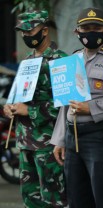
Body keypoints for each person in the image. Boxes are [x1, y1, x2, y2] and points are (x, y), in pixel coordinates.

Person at [50, 7, 103, 208]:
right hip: (73, 140)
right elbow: (66, 105)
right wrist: (60, 140)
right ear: (76, 32)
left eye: (96, 27)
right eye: (86, 27)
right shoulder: (73, 59)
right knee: (77, 199)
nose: (91, 32)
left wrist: (92, 108)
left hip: (101, 138)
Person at [3, 10, 68, 207]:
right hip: (25, 141)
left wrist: (29, 111)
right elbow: (19, 99)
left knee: (55, 199)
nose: (26, 36)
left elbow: (68, 106)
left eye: (30, 31)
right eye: (23, 32)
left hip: (49, 144)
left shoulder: (61, 61)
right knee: (30, 199)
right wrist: (11, 107)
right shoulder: (27, 62)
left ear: (45, 30)